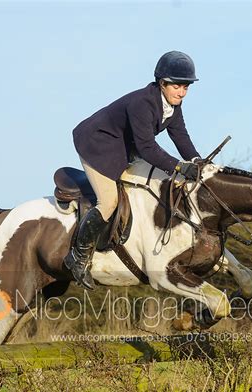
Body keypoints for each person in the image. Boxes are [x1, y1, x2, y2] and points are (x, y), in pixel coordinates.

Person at [64, 50, 202, 289]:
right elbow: (148, 148)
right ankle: (78, 256)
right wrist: (180, 166)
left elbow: (180, 136)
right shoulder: (143, 103)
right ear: (162, 83)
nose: (182, 92)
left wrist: (198, 162)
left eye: (186, 87)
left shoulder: (173, 106)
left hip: (124, 146)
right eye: (177, 87)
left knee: (158, 181)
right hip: (97, 143)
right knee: (108, 201)